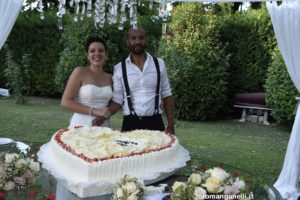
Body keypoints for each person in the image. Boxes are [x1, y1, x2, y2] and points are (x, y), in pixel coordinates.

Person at [93, 27, 175, 134]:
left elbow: (167, 95)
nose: (137, 42)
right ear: (128, 42)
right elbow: (117, 99)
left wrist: (171, 125)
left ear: (146, 40)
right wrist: (104, 116)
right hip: (130, 123)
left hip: (156, 122)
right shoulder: (119, 68)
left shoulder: (159, 64)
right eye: (133, 38)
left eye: (141, 38)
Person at [61, 36, 112, 128]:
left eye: (101, 51)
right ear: (87, 55)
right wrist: (94, 111)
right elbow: (65, 102)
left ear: (106, 54)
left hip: (103, 125)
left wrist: (105, 115)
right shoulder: (79, 72)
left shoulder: (110, 78)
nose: (97, 53)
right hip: (81, 124)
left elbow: (116, 102)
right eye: (92, 51)